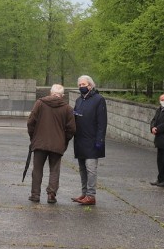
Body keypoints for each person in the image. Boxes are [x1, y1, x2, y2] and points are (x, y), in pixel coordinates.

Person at [27, 84, 76, 204]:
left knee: (37, 169)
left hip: (40, 142)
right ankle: (51, 195)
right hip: (57, 144)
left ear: (50, 92)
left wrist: (33, 137)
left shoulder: (40, 103)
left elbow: (31, 122)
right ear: (63, 95)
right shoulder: (68, 108)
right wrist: (64, 140)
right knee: (54, 170)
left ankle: (35, 194)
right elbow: (72, 129)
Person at [72, 75, 107, 205]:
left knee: (90, 168)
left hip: (93, 140)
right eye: (80, 85)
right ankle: (84, 193)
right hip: (80, 139)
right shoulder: (79, 100)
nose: (81, 86)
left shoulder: (99, 100)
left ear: (90, 86)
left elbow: (102, 122)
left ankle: (91, 195)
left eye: (84, 84)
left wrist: (100, 139)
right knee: (82, 168)